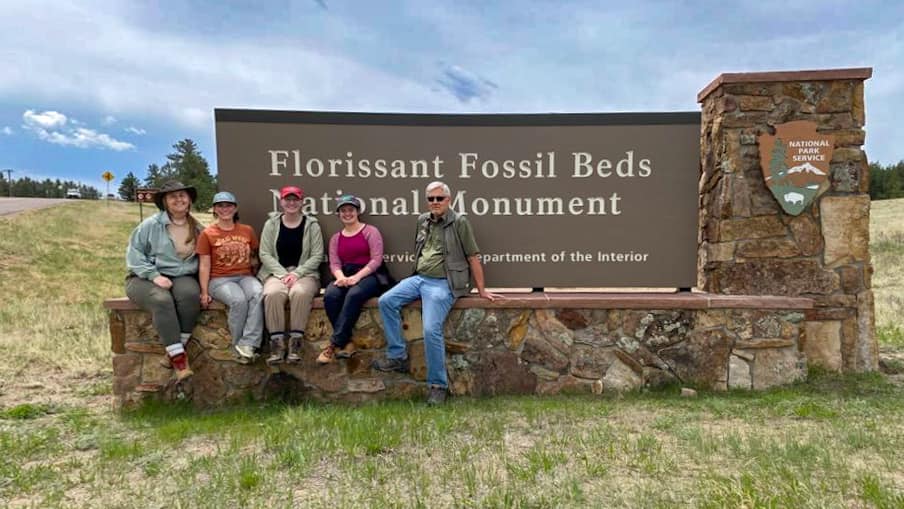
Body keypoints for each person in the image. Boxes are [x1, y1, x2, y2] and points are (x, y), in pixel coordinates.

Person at [373, 181, 502, 404]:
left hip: (444, 283)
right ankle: (398, 355)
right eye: (431, 199)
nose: (435, 202)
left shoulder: (460, 222)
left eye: (439, 198)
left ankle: (437, 386)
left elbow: (473, 256)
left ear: (448, 200)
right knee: (386, 301)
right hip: (419, 279)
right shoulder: (422, 220)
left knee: (431, 329)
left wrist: (481, 290)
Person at [125, 180, 203, 381]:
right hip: (144, 278)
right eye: (173, 196)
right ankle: (180, 362)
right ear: (165, 202)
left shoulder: (197, 228)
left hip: (181, 276)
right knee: (161, 300)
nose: (179, 199)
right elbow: (134, 255)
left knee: (190, 296)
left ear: (189, 200)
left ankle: (176, 350)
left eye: (182, 195)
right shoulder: (151, 225)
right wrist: (154, 276)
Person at [317, 194, 389, 364]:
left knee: (354, 295)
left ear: (357, 212)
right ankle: (347, 343)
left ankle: (333, 345)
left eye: (351, 210)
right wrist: (341, 277)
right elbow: (334, 263)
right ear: (339, 214)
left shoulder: (370, 231)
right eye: (343, 210)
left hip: (370, 275)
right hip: (345, 275)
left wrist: (357, 277)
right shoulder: (336, 238)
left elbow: (376, 259)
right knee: (331, 295)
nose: (347, 213)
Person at [258, 185, 324, 365]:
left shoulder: (312, 225)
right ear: (282, 202)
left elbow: (317, 255)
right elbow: (264, 253)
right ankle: (277, 346)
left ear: (302, 202)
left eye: (296, 199)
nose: (292, 203)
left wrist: (297, 273)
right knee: (272, 294)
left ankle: (295, 345)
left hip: (305, 273)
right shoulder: (271, 224)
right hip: (276, 273)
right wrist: (282, 274)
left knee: (300, 293)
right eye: (288, 199)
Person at [197, 191, 264, 364]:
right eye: (220, 205)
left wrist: (256, 275)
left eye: (228, 205)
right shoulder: (207, 234)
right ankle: (237, 346)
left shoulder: (247, 230)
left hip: (245, 276)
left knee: (258, 293)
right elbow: (204, 264)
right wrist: (204, 292)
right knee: (238, 300)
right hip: (219, 279)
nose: (224, 209)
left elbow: (254, 256)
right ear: (214, 209)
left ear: (235, 208)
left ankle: (248, 343)